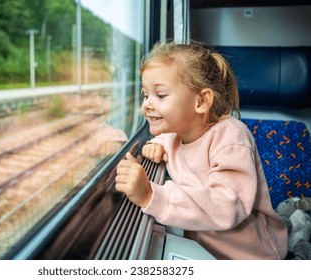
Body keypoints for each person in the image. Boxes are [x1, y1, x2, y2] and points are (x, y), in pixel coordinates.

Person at [115, 41, 288, 260]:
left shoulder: (231, 136)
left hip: (250, 256)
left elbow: (226, 206)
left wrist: (151, 195)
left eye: (160, 95)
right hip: (205, 248)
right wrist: (153, 146)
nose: (147, 104)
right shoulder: (175, 133)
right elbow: (161, 140)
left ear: (201, 101)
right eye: (145, 94)